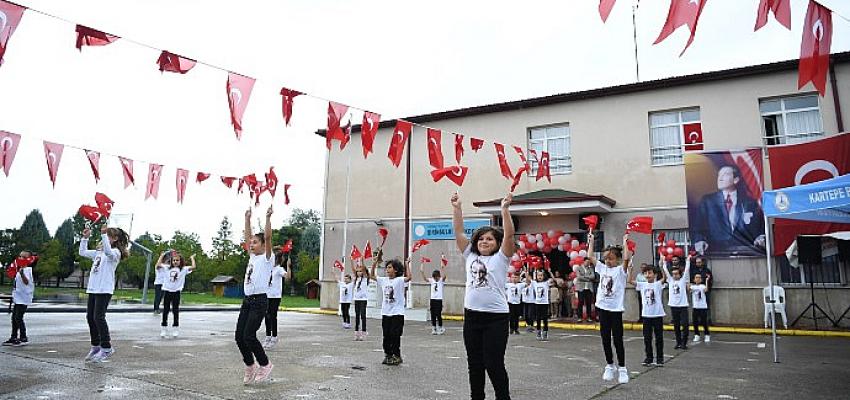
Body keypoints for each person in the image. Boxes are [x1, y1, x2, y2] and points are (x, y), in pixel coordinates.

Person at [452, 191, 515, 400]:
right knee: (475, 363)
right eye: (481, 238)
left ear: (496, 243)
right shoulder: (469, 255)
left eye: (489, 239)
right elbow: (459, 232)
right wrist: (457, 208)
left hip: (495, 318)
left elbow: (509, 236)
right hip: (472, 317)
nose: (484, 241)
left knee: (494, 363)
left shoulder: (501, 258)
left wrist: (504, 210)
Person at [78, 225, 130, 363]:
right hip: (94, 288)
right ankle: (95, 346)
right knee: (90, 317)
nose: (104, 239)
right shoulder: (98, 253)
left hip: (104, 289)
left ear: (114, 239)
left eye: (108, 236)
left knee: (98, 317)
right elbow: (82, 252)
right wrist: (85, 238)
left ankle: (106, 347)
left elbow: (108, 252)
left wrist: (102, 234)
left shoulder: (115, 253)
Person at [236, 206, 275, 385]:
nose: (251, 244)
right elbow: (247, 236)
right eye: (250, 243)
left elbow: (267, 237)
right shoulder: (252, 256)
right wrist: (247, 219)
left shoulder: (267, 257)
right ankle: (250, 365)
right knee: (239, 336)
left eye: (255, 242)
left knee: (249, 336)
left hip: (259, 301)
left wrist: (267, 218)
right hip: (247, 301)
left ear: (263, 245)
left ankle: (265, 364)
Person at [692, 164, 766, 257]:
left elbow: (759, 227)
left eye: (725, 174)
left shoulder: (749, 202)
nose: (720, 178)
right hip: (717, 252)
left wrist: (760, 237)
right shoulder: (708, 201)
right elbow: (698, 228)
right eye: (719, 175)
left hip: (745, 252)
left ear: (736, 180)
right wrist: (700, 240)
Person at [588, 231, 631, 384]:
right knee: (605, 338)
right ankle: (609, 365)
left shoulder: (621, 271)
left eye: (611, 258)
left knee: (617, 339)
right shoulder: (602, 268)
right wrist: (591, 241)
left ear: (617, 259)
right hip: (603, 308)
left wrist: (625, 242)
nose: (607, 261)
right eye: (606, 258)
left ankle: (622, 368)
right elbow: (591, 257)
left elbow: (626, 258)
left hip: (615, 310)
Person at [371, 257, 411, 366]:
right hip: (386, 312)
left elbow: (409, 277)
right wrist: (374, 263)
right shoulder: (384, 280)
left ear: (396, 270)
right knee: (386, 335)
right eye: (386, 268)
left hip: (397, 313)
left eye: (389, 267)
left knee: (395, 335)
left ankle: (396, 355)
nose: (387, 270)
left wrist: (407, 264)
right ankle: (388, 355)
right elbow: (372, 276)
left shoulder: (399, 280)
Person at [630, 264, 666, 367]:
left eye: (650, 273)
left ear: (655, 275)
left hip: (657, 314)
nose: (647, 275)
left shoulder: (658, 284)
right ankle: (648, 358)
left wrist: (662, 267)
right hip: (646, 315)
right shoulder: (642, 284)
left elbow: (664, 278)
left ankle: (660, 359)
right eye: (645, 273)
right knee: (647, 338)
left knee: (659, 338)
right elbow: (630, 281)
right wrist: (630, 270)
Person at [160, 251, 197, 338]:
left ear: (180, 261)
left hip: (176, 292)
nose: (175, 262)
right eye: (174, 260)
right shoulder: (167, 268)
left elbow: (193, 267)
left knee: (175, 311)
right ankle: (163, 328)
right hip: (167, 291)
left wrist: (192, 258)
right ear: (171, 261)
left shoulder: (183, 269)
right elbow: (158, 265)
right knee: (165, 310)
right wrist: (162, 256)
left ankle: (175, 328)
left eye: (177, 260)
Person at [3, 251, 35, 347]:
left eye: (23, 257)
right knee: (14, 318)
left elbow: (26, 282)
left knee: (18, 318)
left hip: (24, 298)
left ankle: (23, 337)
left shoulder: (28, 270)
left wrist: (21, 274)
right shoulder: (20, 269)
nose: (20, 258)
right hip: (18, 297)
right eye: (20, 256)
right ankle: (13, 337)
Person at [662, 254, 691, 350]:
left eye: (676, 274)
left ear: (680, 274)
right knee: (676, 325)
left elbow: (686, 270)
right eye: (673, 274)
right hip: (673, 306)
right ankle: (678, 342)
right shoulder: (670, 280)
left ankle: (684, 343)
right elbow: (665, 270)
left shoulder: (682, 281)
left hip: (683, 306)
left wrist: (688, 260)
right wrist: (664, 260)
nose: (674, 275)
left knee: (685, 325)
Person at [263, 251, 291, 349]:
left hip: (275, 296)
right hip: (267, 295)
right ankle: (268, 336)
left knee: (272, 316)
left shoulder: (279, 269)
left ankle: (274, 337)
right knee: (266, 316)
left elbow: (287, 277)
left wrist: (288, 266)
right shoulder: (269, 269)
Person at [353, 254, 378, 341]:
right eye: (358, 271)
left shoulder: (366, 279)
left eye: (360, 271)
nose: (359, 273)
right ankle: (356, 333)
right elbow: (354, 269)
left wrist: (362, 261)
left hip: (363, 299)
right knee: (356, 316)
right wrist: (350, 260)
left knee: (363, 315)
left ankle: (364, 332)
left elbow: (364, 269)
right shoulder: (356, 279)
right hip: (357, 299)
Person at [420, 260, 447, 335]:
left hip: (439, 300)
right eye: (434, 277)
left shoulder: (441, 280)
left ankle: (441, 327)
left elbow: (445, 276)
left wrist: (442, 267)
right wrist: (422, 270)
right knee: (433, 314)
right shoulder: (432, 280)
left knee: (438, 314)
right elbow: (425, 279)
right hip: (433, 300)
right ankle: (434, 328)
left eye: (437, 277)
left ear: (439, 276)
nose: (435, 279)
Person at [528, 269, 553, 341]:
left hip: (544, 303)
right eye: (538, 275)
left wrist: (550, 271)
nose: (540, 277)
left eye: (541, 275)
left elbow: (553, 279)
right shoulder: (535, 283)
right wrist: (527, 270)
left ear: (543, 276)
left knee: (545, 319)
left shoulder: (546, 283)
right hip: (537, 303)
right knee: (538, 318)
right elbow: (528, 278)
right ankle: (538, 332)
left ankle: (545, 332)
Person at [690, 256, 714, 323]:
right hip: (696, 291)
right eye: (697, 262)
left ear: (702, 262)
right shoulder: (693, 271)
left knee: (707, 305)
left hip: (705, 291)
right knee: (696, 306)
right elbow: (691, 281)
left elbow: (711, 280)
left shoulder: (707, 270)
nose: (698, 264)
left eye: (699, 262)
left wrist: (708, 289)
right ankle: (698, 320)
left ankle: (708, 320)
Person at [691, 273, 711, 343]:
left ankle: (707, 334)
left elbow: (706, 290)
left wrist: (707, 280)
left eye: (699, 277)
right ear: (694, 279)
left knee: (704, 322)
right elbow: (688, 289)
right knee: (695, 322)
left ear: (701, 279)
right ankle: (697, 335)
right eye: (696, 277)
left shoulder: (702, 286)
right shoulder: (692, 287)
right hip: (695, 307)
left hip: (703, 307)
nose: (698, 279)